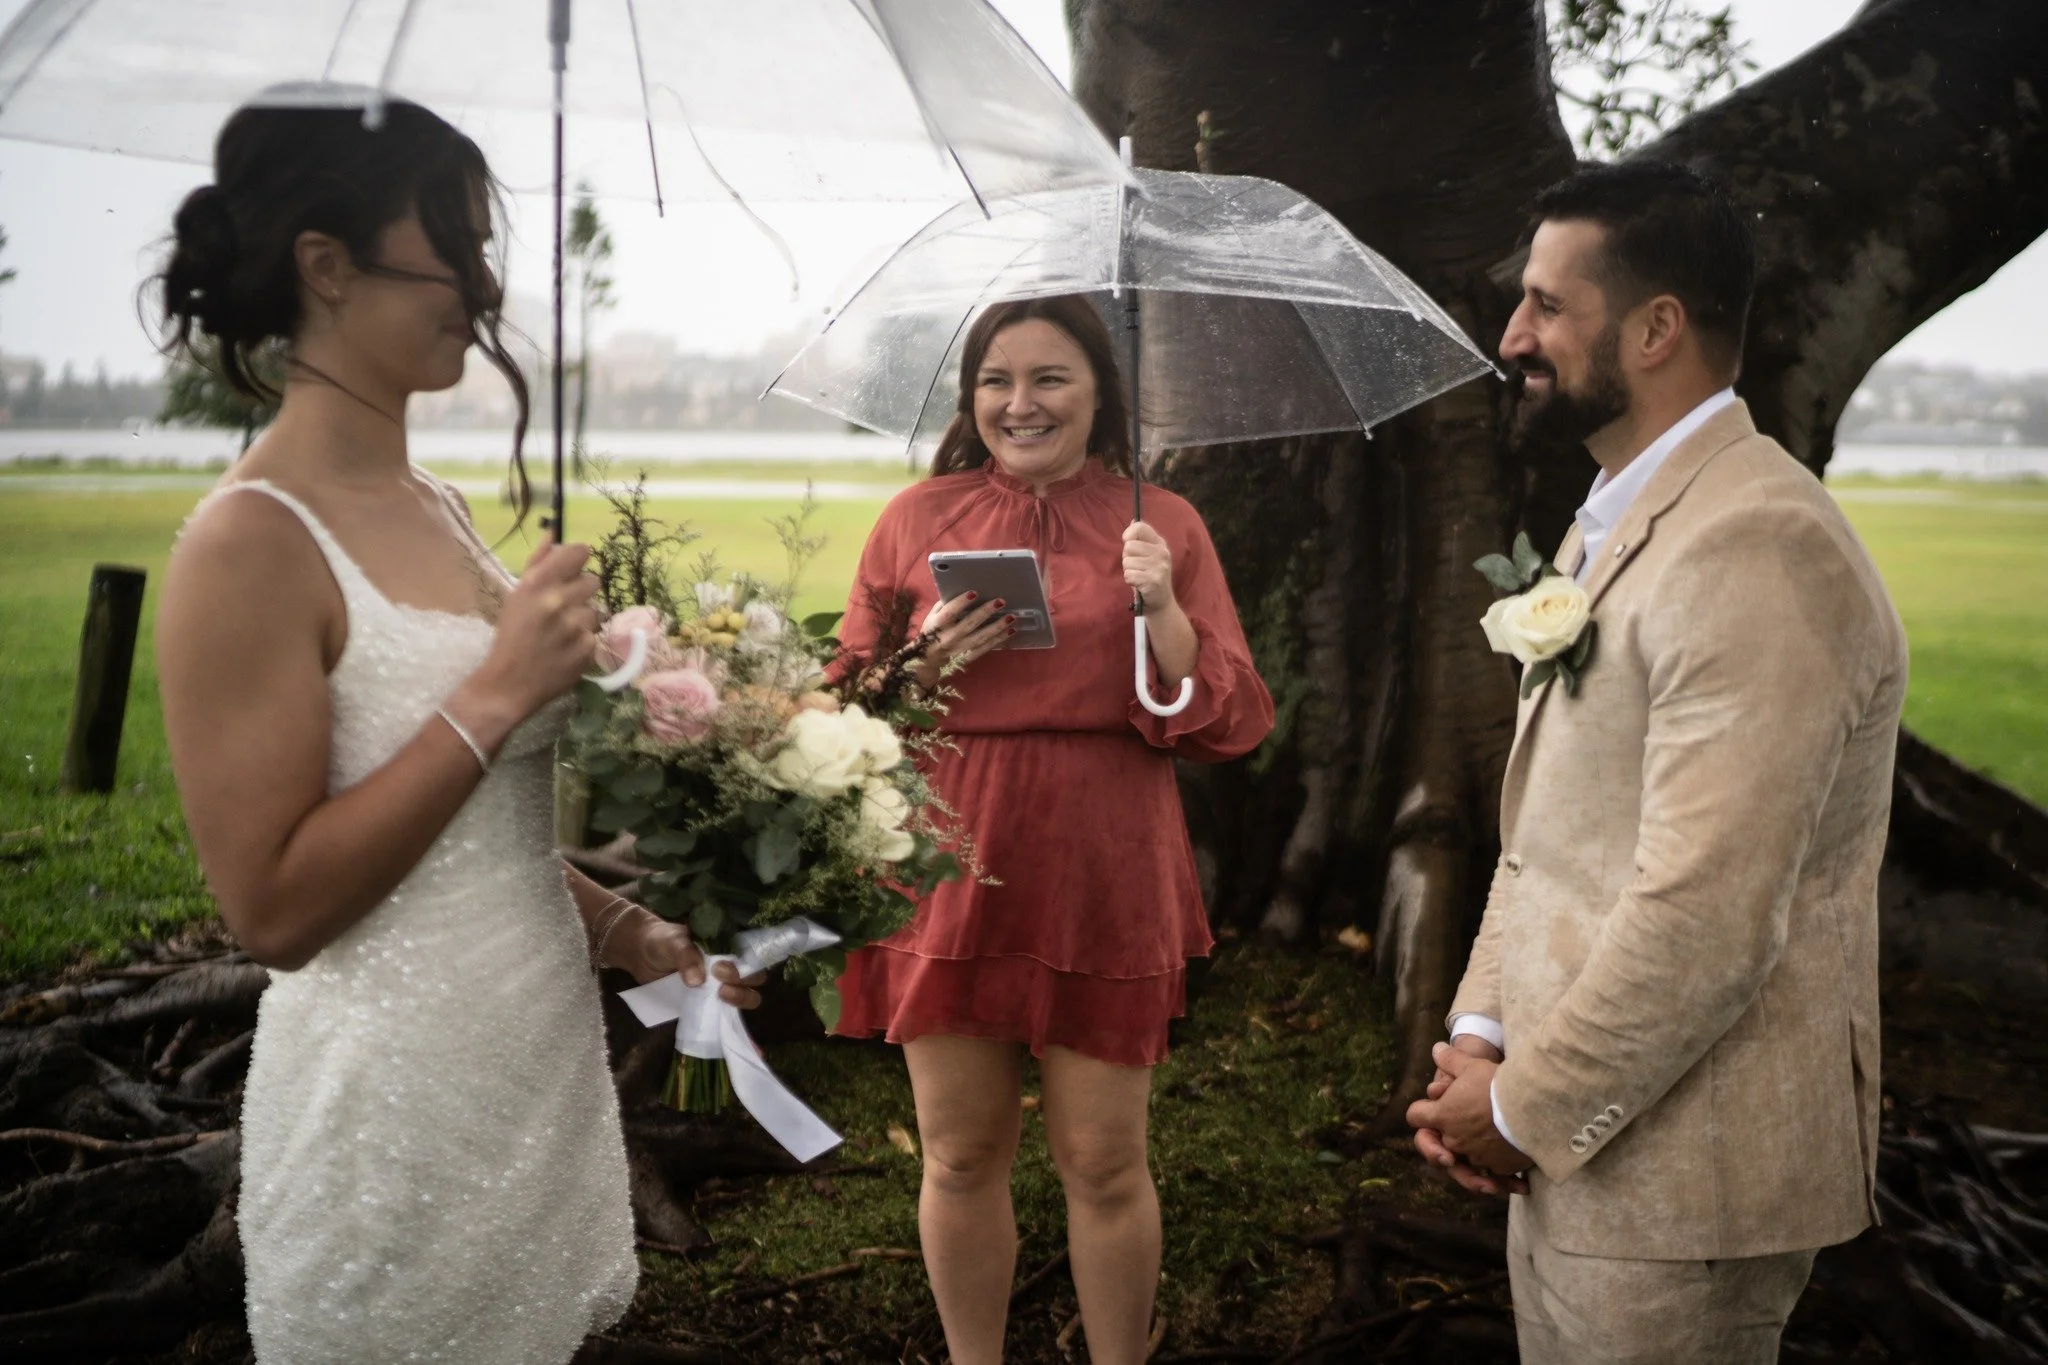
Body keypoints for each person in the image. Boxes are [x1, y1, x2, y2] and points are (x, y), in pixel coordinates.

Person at [152, 89, 759, 1365]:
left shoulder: (430, 499)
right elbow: (273, 911)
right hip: (392, 1107)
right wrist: (493, 692)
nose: (483, 286)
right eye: (457, 246)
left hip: (529, 1071)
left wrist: (633, 931)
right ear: (325, 266)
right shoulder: (248, 542)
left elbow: (466, 836)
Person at [1405, 161, 1908, 1363]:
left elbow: (1709, 909)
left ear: (1654, 329)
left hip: (1686, 1177)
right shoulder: (1620, 514)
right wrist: (1480, 1031)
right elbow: (1549, 843)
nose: (1512, 336)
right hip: (1591, 1140)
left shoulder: (1754, 544)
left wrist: (1521, 1111)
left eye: (1543, 304)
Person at [830, 295, 1274, 1364]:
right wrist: (915, 669)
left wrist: (1160, 609)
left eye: (1049, 378)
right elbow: (842, 705)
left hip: (1106, 854)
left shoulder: (1159, 522)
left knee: (1105, 1159)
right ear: (970, 396)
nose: (1018, 403)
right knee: (959, 1152)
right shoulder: (913, 520)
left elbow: (1232, 717)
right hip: (951, 850)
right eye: (996, 380)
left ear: (1098, 393)